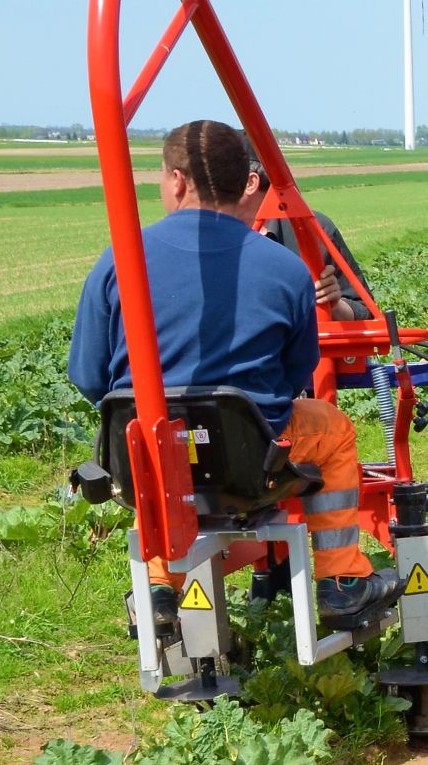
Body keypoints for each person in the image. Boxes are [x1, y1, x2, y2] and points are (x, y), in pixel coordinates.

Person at [68, 120, 402, 627]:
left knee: (155, 441)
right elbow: (292, 380)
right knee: (332, 427)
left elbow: (89, 376)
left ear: (177, 181)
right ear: (242, 181)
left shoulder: (118, 260)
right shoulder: (286, 269)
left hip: (147, 456)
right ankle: (341, 581)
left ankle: (158, 590)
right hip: (253, 465)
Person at [239, 141, 372, 321]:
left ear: (250, 183)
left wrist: (333, 304)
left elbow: (365, 314)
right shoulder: (207, 234)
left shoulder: (314, 229)